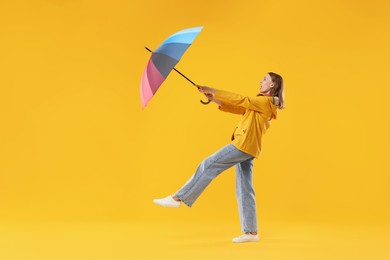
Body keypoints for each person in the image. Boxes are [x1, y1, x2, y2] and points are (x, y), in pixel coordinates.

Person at [153, 72, 285, 243]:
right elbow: (240, 108)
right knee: (245, 188)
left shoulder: (265, 101)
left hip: (243, 144)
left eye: (265, 79)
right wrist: (214, 99)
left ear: (273, 85)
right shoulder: (263, 103)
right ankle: (251, 232)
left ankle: (179, 198)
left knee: (209, 164)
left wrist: (213, 90)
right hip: (249, 147)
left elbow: (241, 99)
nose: (261, 81)